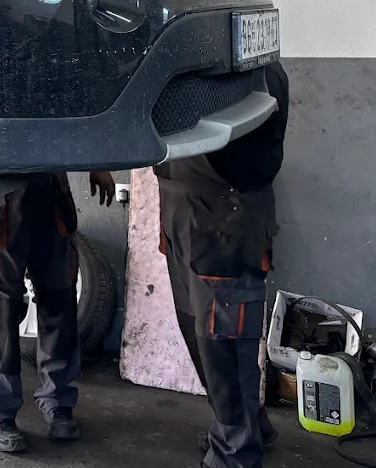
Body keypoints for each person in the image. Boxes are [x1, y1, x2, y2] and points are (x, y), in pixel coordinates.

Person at [156, 61, 289, 468]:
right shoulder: (184, 67)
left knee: (225, 344)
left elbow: (248, 159)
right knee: (200, 336)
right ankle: (246, 425)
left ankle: (236, 451)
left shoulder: (252, 72)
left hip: (224, 223)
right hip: (183, 216)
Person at [0, 170, 116, 452]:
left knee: (59, 298)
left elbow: (77, 134)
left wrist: (99, 165)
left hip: (51, 190)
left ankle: (58, 402)